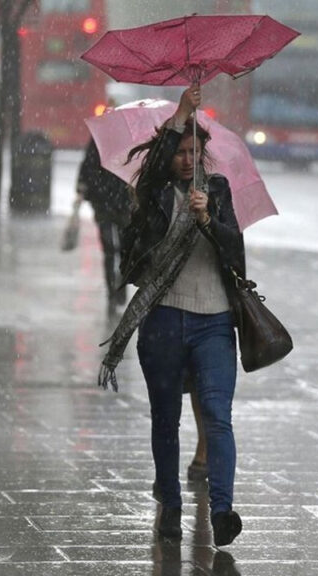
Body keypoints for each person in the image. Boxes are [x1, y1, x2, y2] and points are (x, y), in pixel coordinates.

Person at [98, 84, 245, 546]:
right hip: (163, 320)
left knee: (217, 417)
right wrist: (181, 114)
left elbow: (237, 253)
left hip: (215, 321)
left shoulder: (217, 191)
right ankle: (171, 507)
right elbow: (152, 180)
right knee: (166, 418)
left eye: (193, 150)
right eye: (179, 151)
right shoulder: (156, 193)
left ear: (204, 154)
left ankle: (222, 510)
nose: (186, 158)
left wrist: (209, 221)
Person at [76, 138, 132, 311]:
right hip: (104, 202)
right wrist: (83, 187)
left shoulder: (131, 142)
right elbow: (88, 165)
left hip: (123, 203)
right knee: (109, 247)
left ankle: (120, 284)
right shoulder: (99, 140)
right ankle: (111, 292)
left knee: (124, 248)